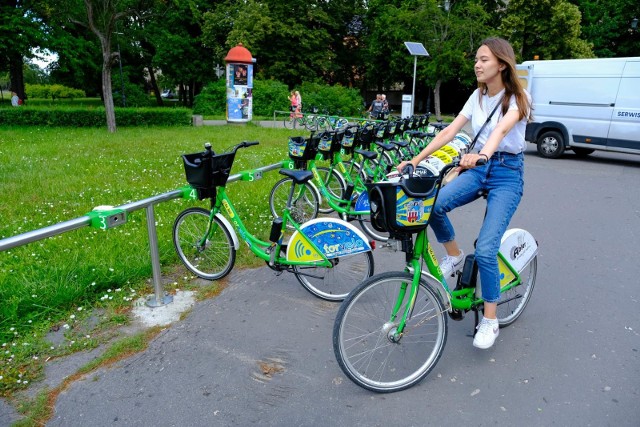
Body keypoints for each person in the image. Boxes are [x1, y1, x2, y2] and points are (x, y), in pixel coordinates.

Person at [397, 37, 532, 350]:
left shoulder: (517, 98)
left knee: (486, 249)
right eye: (476, 59)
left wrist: (481, 155)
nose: (477, 64)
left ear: (501, 63)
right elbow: (449, 131)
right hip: (479, 168)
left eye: (484, 59)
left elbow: (500, 132)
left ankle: (490, 319)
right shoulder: (478, 95)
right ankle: (454, 255)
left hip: (506, 173)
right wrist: (414, 160)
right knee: (434, 205)